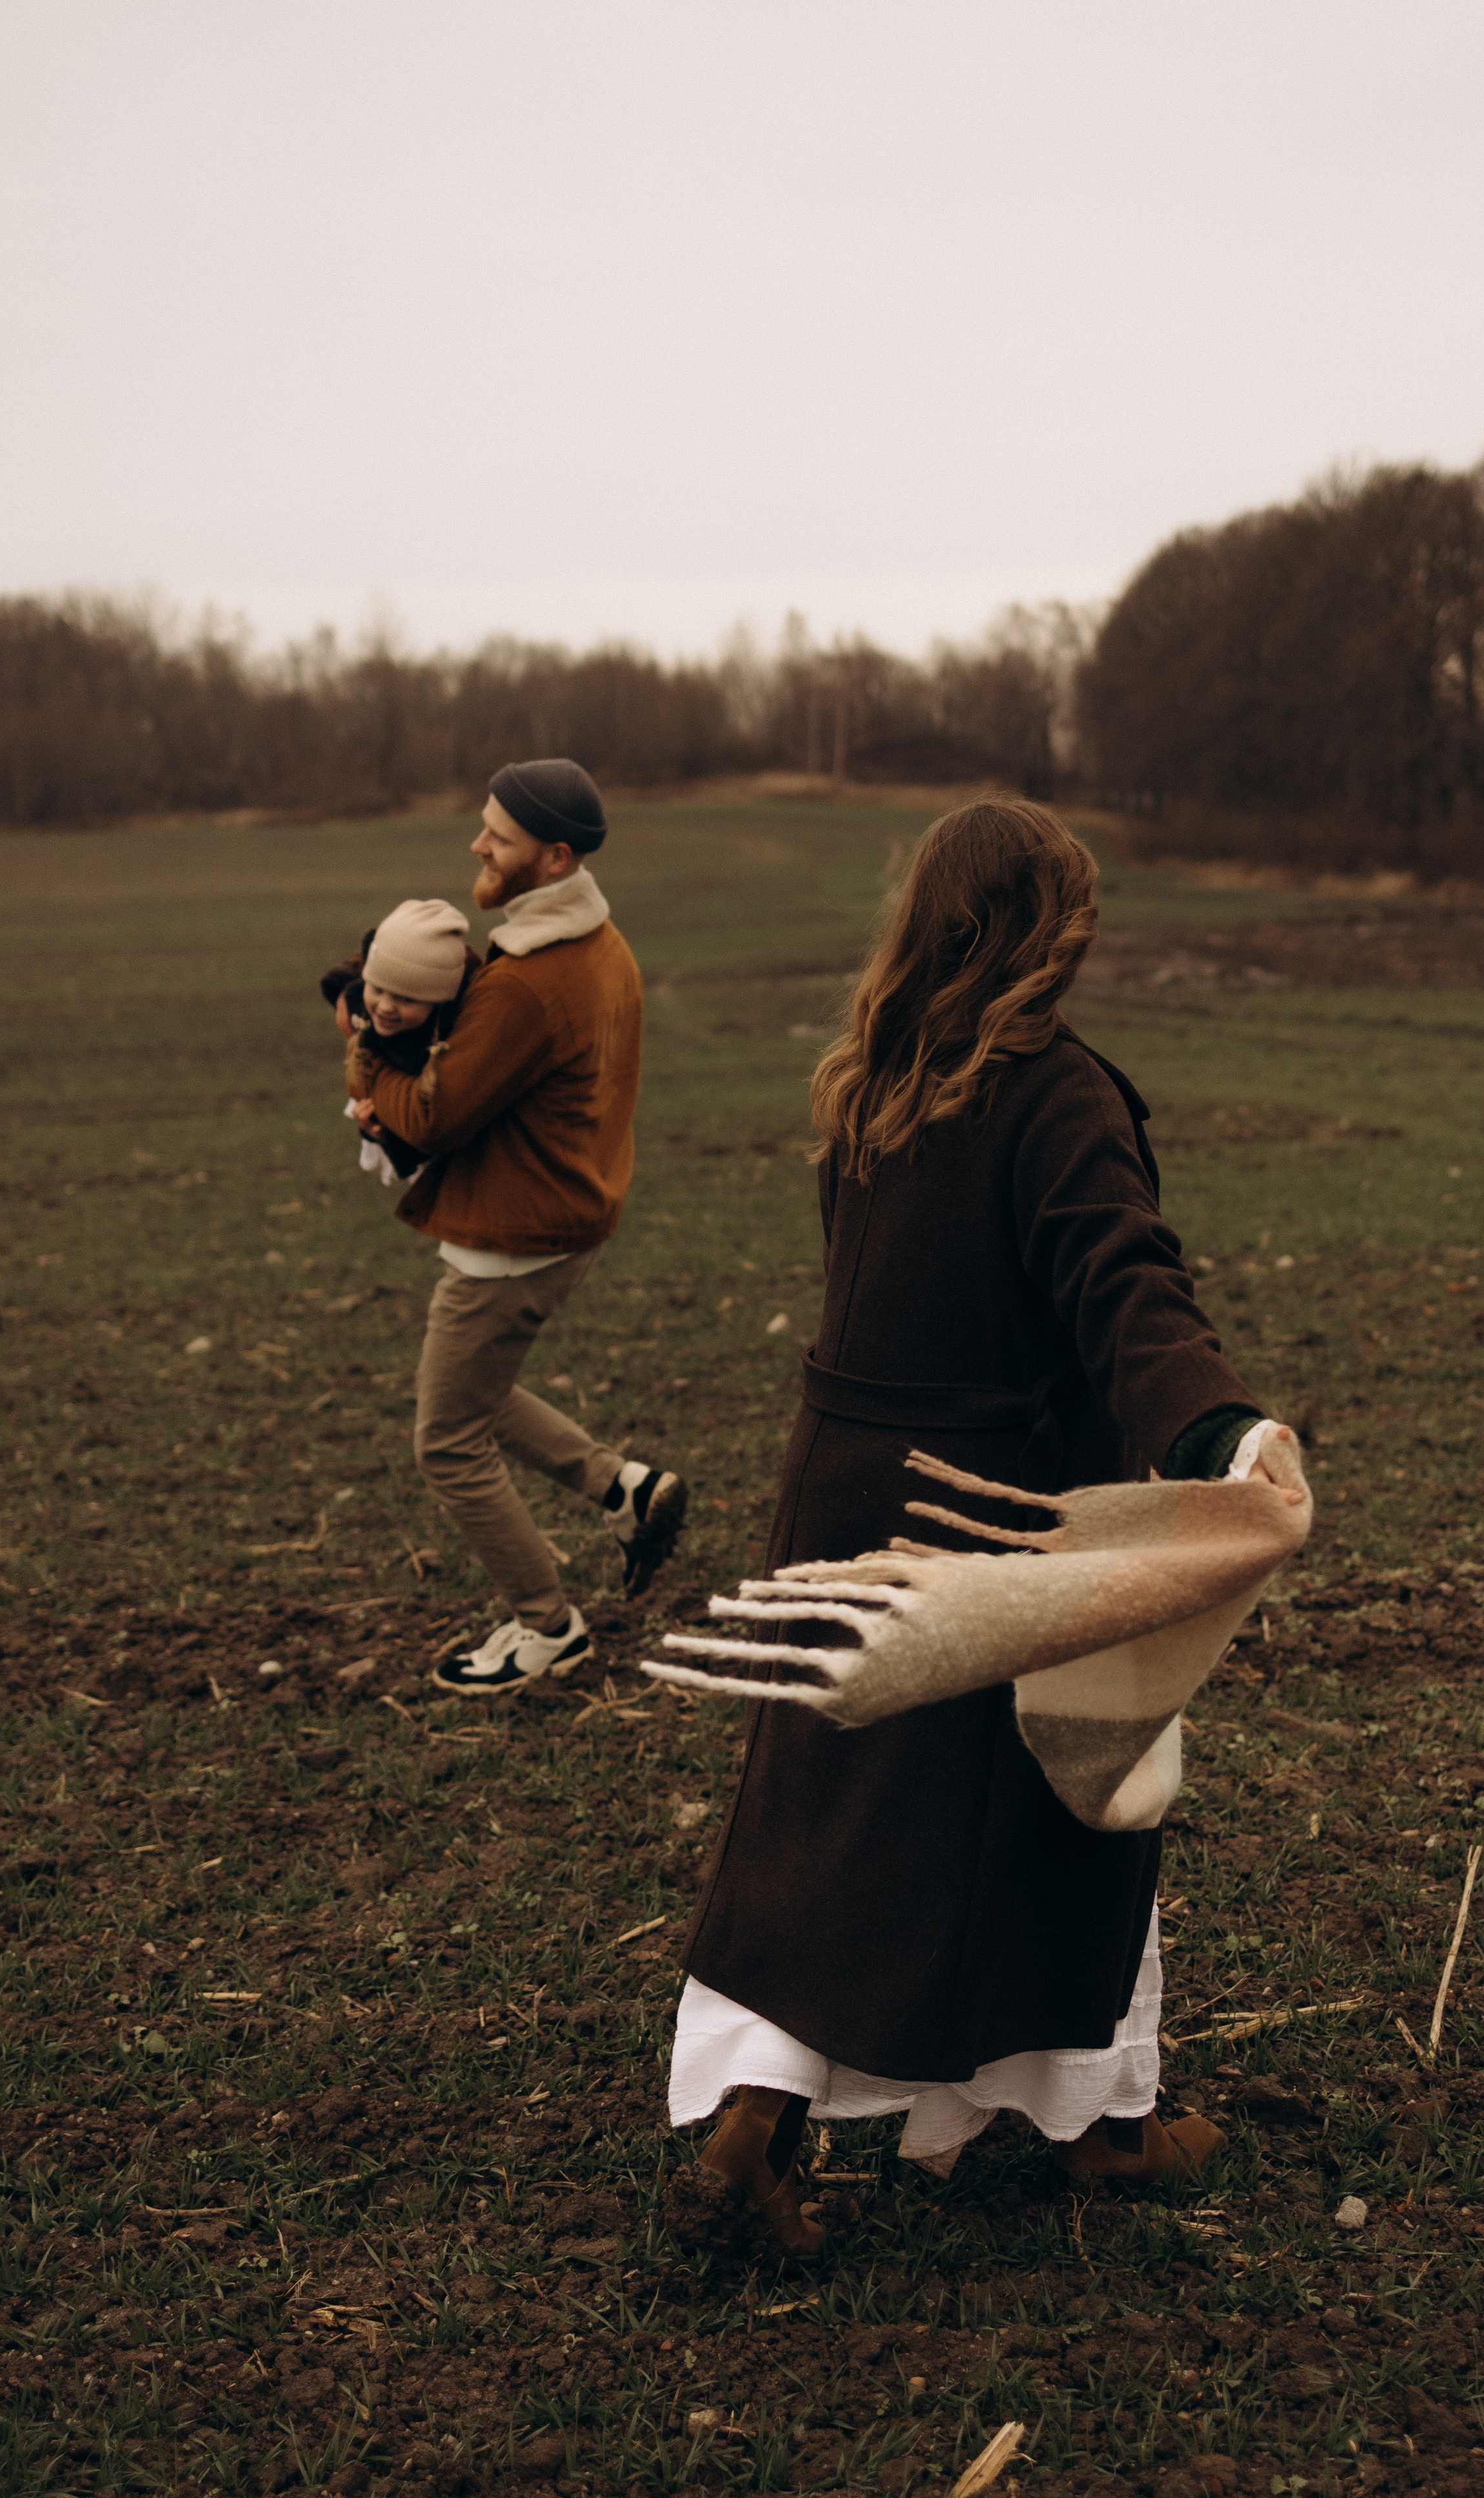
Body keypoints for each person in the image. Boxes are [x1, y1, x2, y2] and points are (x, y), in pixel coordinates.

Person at [666, 798, 1277, 2255]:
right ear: (1049, 931)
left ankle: (754, 2127)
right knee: (1086, 1793)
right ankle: (1110, 2128)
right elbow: (1125, 1287)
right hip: (1001, 1521)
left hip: (844, 1498)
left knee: (834, 1832)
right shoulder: (1052, 1095)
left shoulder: (873, 1081)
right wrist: (1222, 1437)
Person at [343, 758, 687, 1691]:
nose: (478, 846)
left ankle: (548, 1628)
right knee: (473, 1392)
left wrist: (367, 1055)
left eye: (497, 836)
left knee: (447, 1440)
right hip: (570, 1207)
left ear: (555, 857)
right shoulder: (601, 941)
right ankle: (620, 1488)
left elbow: (430, 1119)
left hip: (513, 1236)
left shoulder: (528, 982)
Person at [319, 897, 477, 1181]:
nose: (385, 1007)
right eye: (377, 989)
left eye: (406, 999)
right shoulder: (356, 1008)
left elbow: (438, 1131)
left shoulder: (455, 1043)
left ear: (439, 1001)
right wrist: (377, 1130)